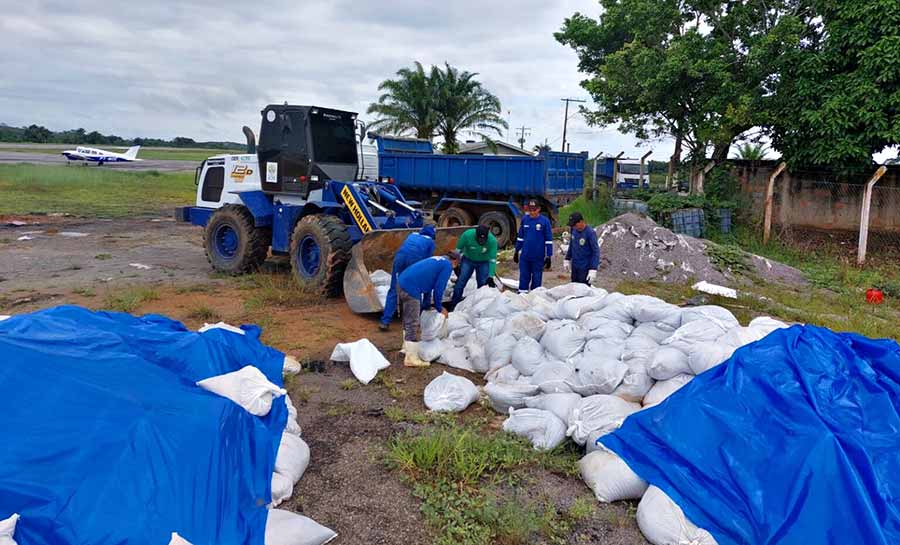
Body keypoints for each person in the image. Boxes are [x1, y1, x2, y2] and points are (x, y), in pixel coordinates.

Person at [396, 251, 461, 367]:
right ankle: (411, 359)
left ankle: (406, 348)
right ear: (455, 262)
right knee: (413, 322)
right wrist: (439, 308)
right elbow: (439, 288)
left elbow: (428, 285)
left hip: (401, 283)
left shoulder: (437, 260)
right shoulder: (447, 265)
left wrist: (426, 305)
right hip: (411, 288)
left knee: (408, 318)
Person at [379, 225, 435, 331]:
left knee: (394, 288)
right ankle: (416, 318)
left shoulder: (412, 235)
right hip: (414, 260)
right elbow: (427, 262)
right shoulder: (430, 242)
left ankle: (385, 321)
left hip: (399, 258)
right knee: (415, 287)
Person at [450, 225, 498, 306]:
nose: (481, 242)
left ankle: (479, 306)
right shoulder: (467, 235)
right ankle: (454, 304)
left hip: (483, 262)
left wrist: (491, 276)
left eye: (483, 240)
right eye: (479, 240)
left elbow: (492, 260)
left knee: (482, 284)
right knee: (461, 281)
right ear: (476, 235)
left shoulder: (492, 241)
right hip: (468, 260)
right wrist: (455, 265)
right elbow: (457, 251)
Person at [514, 200, 553, 292]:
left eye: (534, 210)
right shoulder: (525, 219)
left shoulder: (544, 221)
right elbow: (520, 237)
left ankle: (535, 297)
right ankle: (522, 295)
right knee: (524, 276)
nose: (532, 212)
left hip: (538, 256)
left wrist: (549, 256)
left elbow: (548, 240)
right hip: (525, 255)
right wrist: (516, 251)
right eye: (530, 210)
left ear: (539, 209)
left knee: (537, 277)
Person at [563, 212, 600, 285]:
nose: (574, 227)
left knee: (583, 291)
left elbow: (595, 252)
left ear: (581, 221)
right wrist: (567, 258)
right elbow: (572, 245)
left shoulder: (590, 233)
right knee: (574, 287)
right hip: (575, 266)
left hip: (585, 267)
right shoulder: (574, 230)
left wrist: (593, 269)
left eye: (575, 225)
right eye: (572, 225)